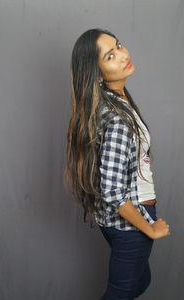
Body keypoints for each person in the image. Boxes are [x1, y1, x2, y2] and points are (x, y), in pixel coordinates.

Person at [63, 28, 171, 300]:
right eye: (111, 56)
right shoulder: (117, 119)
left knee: (139, 282)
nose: (123, 55)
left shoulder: (114, 101)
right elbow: (111, 190)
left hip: (116, 222)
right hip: (132, 222)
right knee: (121, 293)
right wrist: (149, 228)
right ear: (98, 74)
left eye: (119, 46)